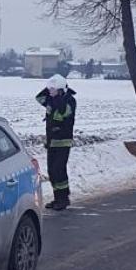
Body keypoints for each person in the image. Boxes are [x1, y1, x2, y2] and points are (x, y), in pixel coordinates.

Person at [36, 74, 76, 210]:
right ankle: (57, 197)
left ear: (60, 90)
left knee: (59, 170)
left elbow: (64, 112)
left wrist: (58, 96)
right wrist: (49, 89)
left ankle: (63, 199)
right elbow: (39, 98)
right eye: (50, 90)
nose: (50, 93)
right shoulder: (50, 100)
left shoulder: (69, 101)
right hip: (52, 141)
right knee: (52, 171)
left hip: (63, 141)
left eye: (53, 90)